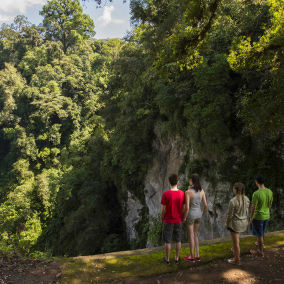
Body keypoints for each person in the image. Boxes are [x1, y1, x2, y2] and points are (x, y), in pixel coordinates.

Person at [160, 174, 186, 265]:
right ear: (178, 182)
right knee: (178, 240)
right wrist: (183, 217)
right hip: (178, 220)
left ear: (169, 183)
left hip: (167, 220)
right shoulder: (182, 193)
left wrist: (161, 218)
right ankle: (177, 258)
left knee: (168, 240)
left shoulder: (166, 194)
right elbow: (183, 208)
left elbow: (163, 209)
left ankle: (167, 259)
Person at [183, 174, 207, 263]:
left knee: (191, 236)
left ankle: (191, 257)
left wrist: (184, 217)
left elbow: (187, 208)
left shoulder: (188, 192)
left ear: (191, 181)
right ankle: (197, 255)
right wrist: (202, 213)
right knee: (195, 234)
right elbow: (205, 205)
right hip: (198, 215)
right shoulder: (202, 191)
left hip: (190, 216)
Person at [225, 182, 250, 265]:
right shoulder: (247, 199)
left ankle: (237, 260)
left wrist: (226, 224)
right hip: (244, 222)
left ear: (235, 190)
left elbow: (230, 215)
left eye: (233, 188)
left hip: (235, 224)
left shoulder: (232, 201)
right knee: (235, 242)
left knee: (236, 243)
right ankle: (234, 249)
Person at [250, 174, 273, 257]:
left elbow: (253, 207)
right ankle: (261, 245)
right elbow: (270, 204)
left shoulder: (256, 194)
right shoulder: (269, 191)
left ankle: (260, 252)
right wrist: (267, 211)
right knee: (263, 231)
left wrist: (251, 217)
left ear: (257, 182)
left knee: (259, 234)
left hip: (258, 216)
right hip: (266, 215)